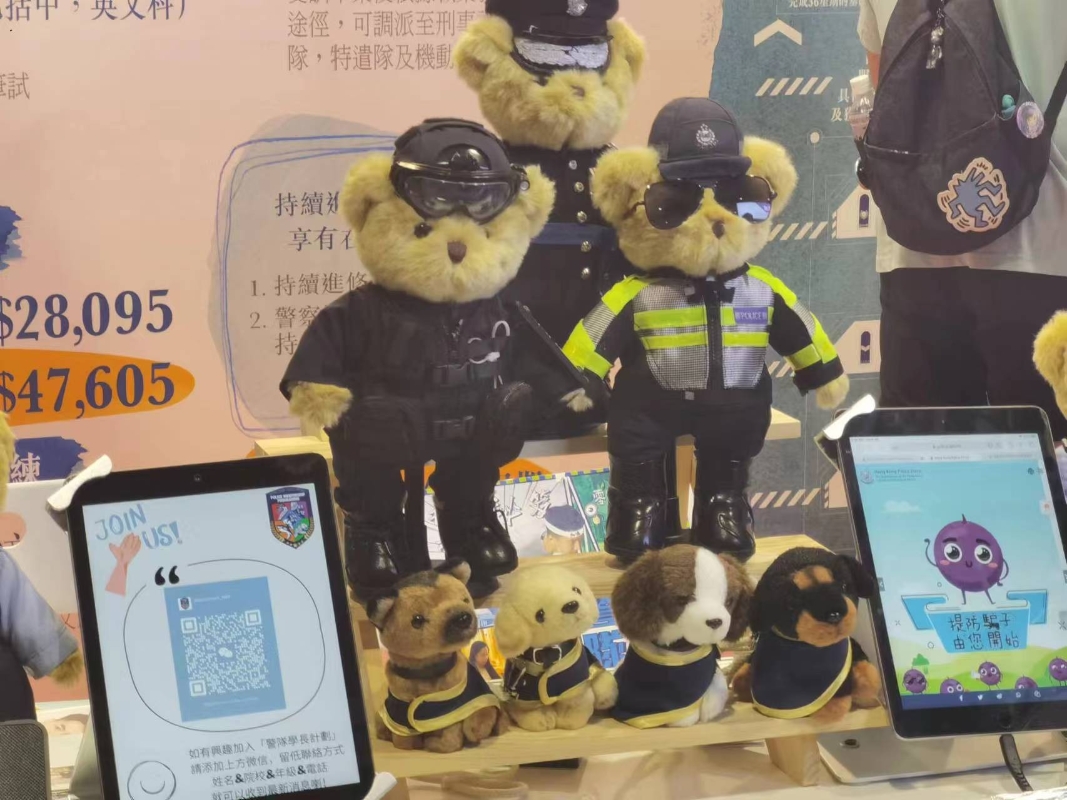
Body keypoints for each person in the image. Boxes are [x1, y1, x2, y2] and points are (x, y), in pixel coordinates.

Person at [858, 0, 1067, 437]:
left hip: (915, 247)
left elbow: (885, 84)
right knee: (1052, 456)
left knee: (926, 460)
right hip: (1047, 243)